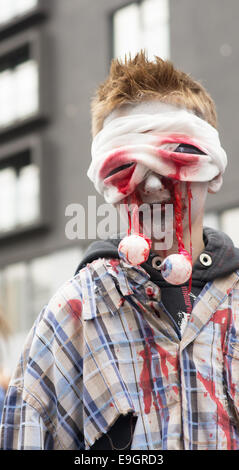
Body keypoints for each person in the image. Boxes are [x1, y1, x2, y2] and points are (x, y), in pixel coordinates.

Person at [1, 51, 239, 451]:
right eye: (125, 166)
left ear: (213, 171)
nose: (150, 185)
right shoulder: (73, 320)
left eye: (175, 157)